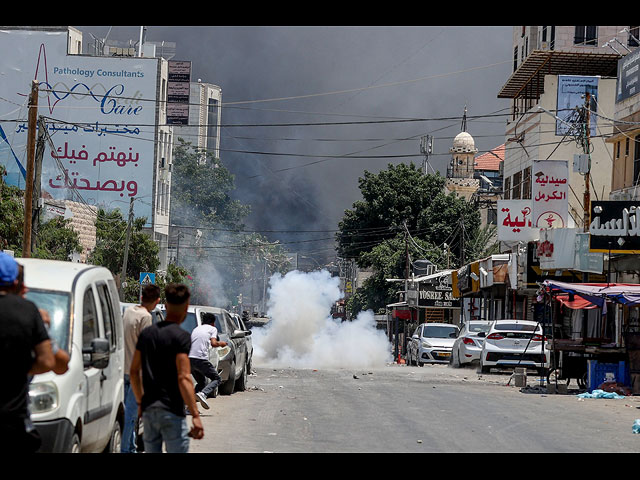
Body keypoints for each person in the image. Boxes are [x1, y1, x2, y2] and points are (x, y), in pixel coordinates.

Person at [130, 283, 204, 453]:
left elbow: (134, 371)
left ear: (166, 305)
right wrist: (195, 415)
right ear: (186, 307)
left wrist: (141, 402)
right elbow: (184, 377)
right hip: (171, 410)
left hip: (149, 411)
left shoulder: (147, 334)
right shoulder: (182, 337)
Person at [0, 252, 55, 452]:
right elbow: (48, 360)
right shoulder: (27, 311)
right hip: (13, 423)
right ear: (15, 281)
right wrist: (21, 367)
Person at [121, 284, 161, 453]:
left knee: (127, 414)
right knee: (131, 416)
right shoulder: (146, 318)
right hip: (136, 373)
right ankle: (124, 450)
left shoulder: (129, 311)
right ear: (157, 301)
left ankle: (131, 447)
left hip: (122, 370)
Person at [189, 312, 227, 408]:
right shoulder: (213, 329)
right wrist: (221, 343)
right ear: (213, 323)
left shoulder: (196, 329)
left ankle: (189, 407)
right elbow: (214, 343)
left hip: (190, 359)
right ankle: (203, 394)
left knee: (201, 382)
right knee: (217, 379)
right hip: (200, 359)